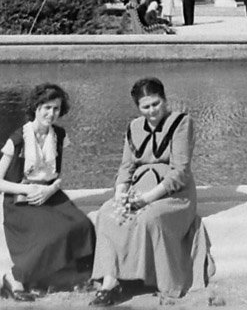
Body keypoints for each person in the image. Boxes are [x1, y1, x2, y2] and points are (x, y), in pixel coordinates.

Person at [90, 78, 214, 305]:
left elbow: (180, 172)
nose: (152, 110)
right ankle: (110, 281)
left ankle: (150, 278)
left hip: (173, 194)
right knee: (107, 213)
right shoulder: (134, 127)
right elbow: (126, 167)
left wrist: (147, 198)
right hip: (138, 188)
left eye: (156, 104)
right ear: (138, 108)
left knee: (149, 218)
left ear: (164, 100)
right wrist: (120, 193)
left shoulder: (182, 123)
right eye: (145, 107)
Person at [0, 84, 96, 302]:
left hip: (50, 193)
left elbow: (59, 175)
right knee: (52, 234)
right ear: (36, 107)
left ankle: (78, 277)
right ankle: (14, 278)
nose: (51, 114)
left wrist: (50, 189)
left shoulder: (59, 135)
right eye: (47, 108)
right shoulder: (18, 139)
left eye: (56, 109)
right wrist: (28, 189)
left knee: (82, 225)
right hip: (21, 199)